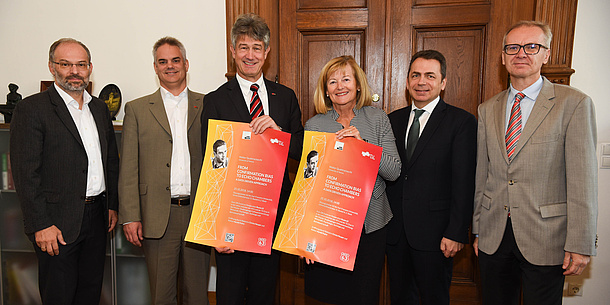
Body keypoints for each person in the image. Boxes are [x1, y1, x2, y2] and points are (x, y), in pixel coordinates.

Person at [473, 21, 598, 305]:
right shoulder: (487, 109)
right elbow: (484, 175)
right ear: (503, 57)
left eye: (532, 47)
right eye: (513, 47)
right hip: (494, 235)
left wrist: (580, 244)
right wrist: (478, 229)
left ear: (546, 54)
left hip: (546, 236)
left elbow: (583, 181)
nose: (521, 54)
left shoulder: (573, 104)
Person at [201, 13, 304, 305]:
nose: (250, 55)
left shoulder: (285, 97)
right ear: (233, 51)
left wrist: (279, 133)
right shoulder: (216, 100)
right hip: (232, 219)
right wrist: (215, 228)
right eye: (243, 47)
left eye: (256, 47)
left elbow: (300, 148)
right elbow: (210, 165)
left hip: (272, 215)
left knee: (264, 293)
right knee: (230, 295)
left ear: (266, 52)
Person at [10, 38, 119, 304]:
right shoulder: (32, 109)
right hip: (55, 223)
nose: (74, 71)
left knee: (90, 292)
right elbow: (26, 174)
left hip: (97, 218)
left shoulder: (99, 108)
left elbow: (110, 161)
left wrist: (112, 206)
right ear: (52, 67)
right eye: (65, 64)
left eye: (80, 64)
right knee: (59, 295)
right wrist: (41, 224)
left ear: (90, 67)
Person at [118, 37, 210, 305]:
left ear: (186, 64)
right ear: (155, 68)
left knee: (197, 295)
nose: (170, 66)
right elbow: (129, 168)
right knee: (161, 295)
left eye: (175, 60)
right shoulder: (136, 109)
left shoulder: (207, 104)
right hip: (156, 215)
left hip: (198, 214)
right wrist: (130, 216)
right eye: (163, 62)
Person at [304, 55, 401, 305]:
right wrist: (306, 236)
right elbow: (308, 184)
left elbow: (393, 172)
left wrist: (363, 147)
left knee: (364, 295)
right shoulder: (314, 125)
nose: (340, 86)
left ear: (358, 84)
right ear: (326, 90)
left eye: (346, 79)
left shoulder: (378, 119)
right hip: (328, 228)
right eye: (333, 82)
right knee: (330, 295)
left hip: (371, 228)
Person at [384, 50, 477, 305]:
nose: (421, 82)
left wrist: (457, 232)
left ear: (443, 82)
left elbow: (464, 182)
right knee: (400, 298)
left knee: (434, 299)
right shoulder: (392, 120)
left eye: (429, 76)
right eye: (415, 75)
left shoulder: (462, 122)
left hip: (437, 235)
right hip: (396, 232)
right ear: (407, 81)